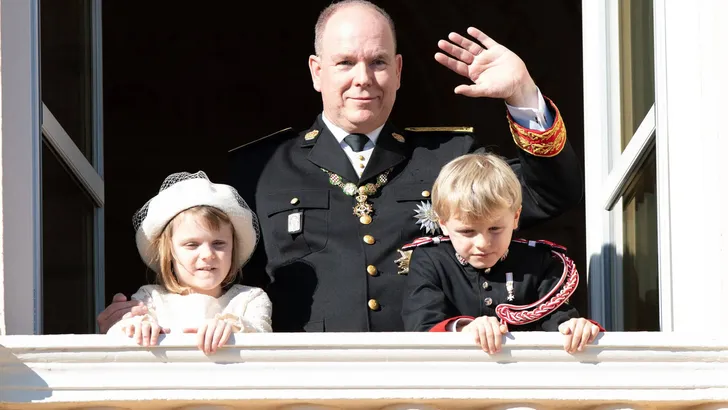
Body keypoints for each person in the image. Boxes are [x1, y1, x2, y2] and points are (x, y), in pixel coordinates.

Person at [98, 0, 582, 333]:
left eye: (376, 63)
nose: (362, 79)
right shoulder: (258, 169)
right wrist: (144, 312)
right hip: (305, 388)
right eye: (345, 62)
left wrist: (523, 95)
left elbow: (546, 198)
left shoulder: (450, 158)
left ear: (397, 71)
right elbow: (212, 273)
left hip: (431, 382)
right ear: (316, 71)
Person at [401, 153, 601, 354]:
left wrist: (576, 329)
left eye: (495, 229)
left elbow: (559, 319)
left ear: (515, 217)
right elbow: (422, 325)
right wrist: (464, 328)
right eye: (467, 231)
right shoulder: (430, 261)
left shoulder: (539, 262)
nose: (483, 243)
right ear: (442, 223)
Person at [107, 171, 272, 354]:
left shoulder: (249, 299)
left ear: (233, 248)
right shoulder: (150, 298)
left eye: (218, 243)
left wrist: (230, 329)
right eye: (192, 244)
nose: (208, 254)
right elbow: (118, 336)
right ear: (169, 252)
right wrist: (135, 328)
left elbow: (262, 336)